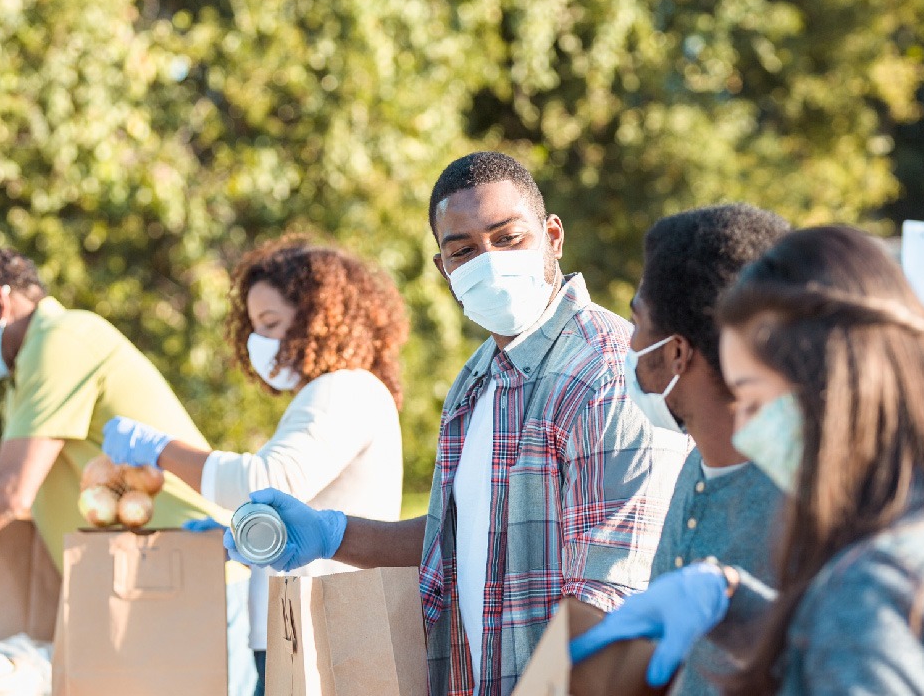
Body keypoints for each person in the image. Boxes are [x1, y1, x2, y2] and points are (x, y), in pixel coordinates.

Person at [222, 151, 688, 696]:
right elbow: (459, 537)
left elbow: (611, 599)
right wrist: (333, 534)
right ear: (443, 268)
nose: (487, 260)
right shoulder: (476, 381)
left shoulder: (605, 375)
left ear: (553, 236)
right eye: (463, 250)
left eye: (507, 238)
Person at [573, 226, 924, 694]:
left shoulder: (874, 585)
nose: (746, 430)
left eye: (752, 398)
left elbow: (862, 635)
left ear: (828, 388)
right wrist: (733, 603)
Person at [0, 247, 258, 696]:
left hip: (183, 570)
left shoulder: (60, 340)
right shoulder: (24, 369)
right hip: (139, 579)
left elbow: (9, 492)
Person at [102, 237, 408, 694]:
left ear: (318, 318)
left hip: (325, 634)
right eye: (253, 327)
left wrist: (160, 448)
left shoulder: (343, 390)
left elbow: (266, 480)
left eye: (270, 324)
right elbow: (299, 506)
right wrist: (246, 542)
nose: (258, 342)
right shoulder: (334, 393)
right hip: (304, 629)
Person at [627, 204, 788, 695]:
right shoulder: (696, 461)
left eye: (637, 323)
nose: (628, 343)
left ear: (676, 351)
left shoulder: (802, 501)